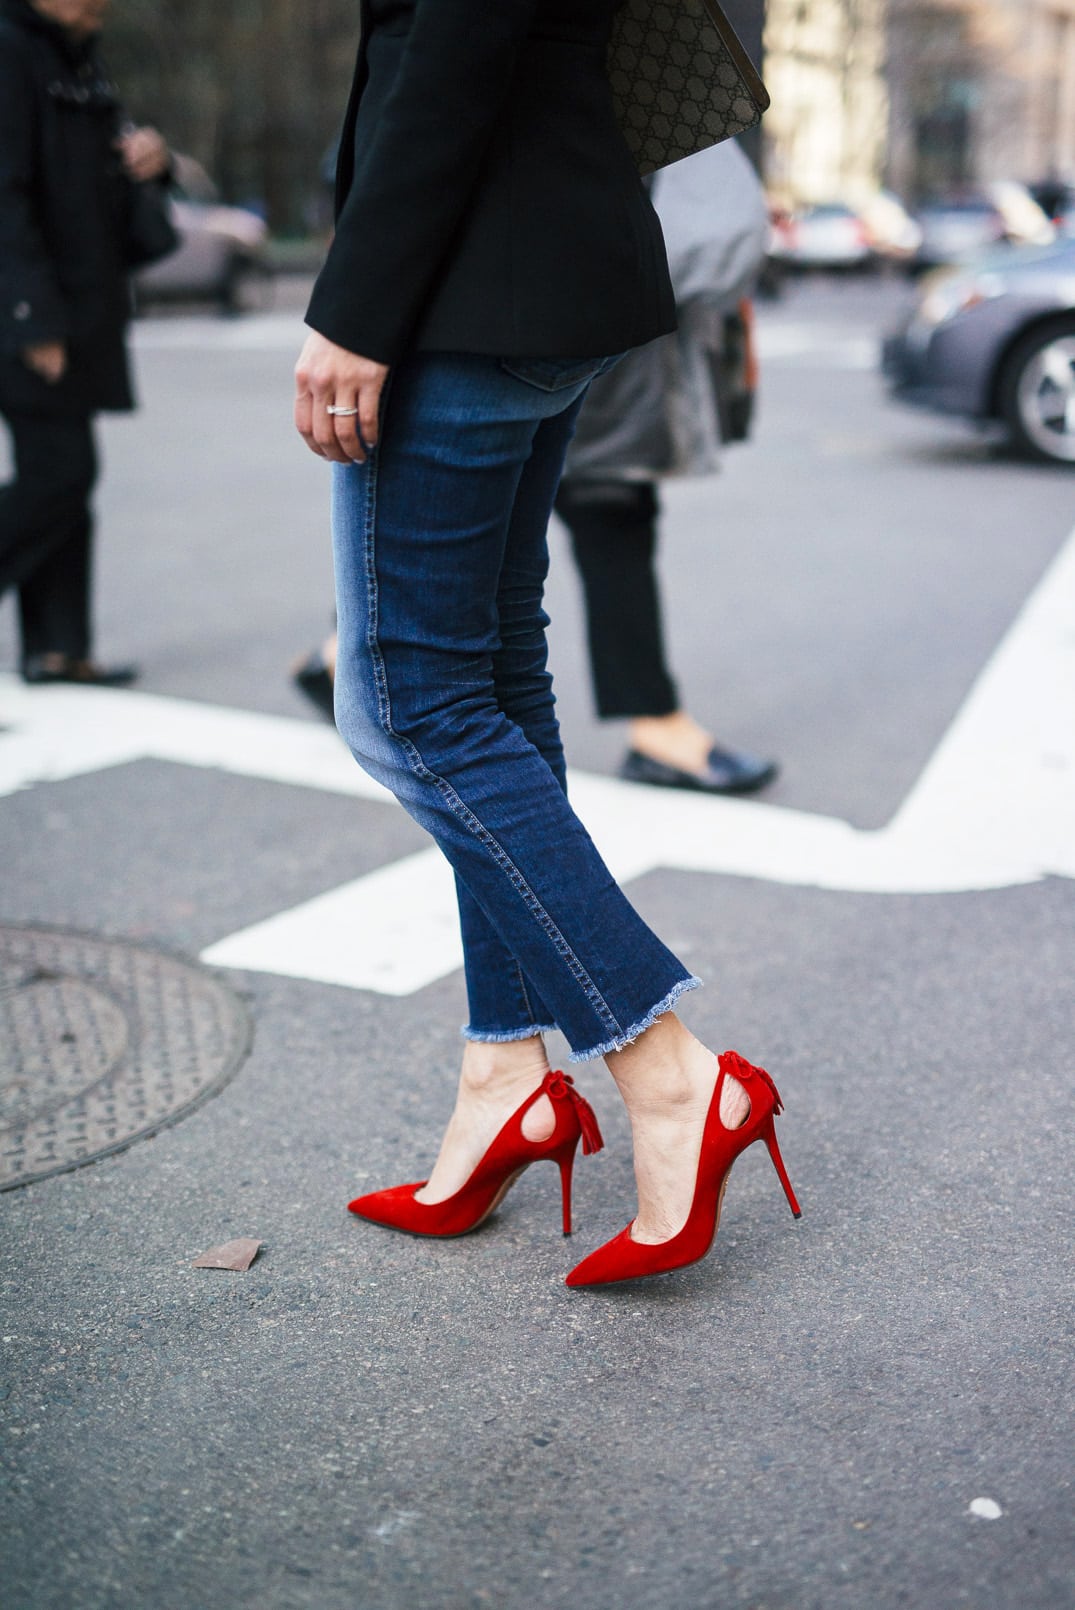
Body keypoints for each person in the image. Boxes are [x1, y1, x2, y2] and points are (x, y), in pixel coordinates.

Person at [294, 0, 800, 1287]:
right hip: (555, 267)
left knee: (409, 708)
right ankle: (501, 1073)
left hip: (467, 284)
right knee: (493, 680)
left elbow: (449, 50)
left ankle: (668, 1070)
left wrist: (356, 305)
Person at [556, 138, 779, 796]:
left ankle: (351, 652)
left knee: (490, 512)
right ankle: (653, 723)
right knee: (605, 506)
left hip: (588, 305)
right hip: (580, 308)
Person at [0, 0, 170, 686]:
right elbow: (1, 195)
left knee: (67, 475)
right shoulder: (8, 49)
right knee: (60, 472)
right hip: (28, 306)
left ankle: (58, 647)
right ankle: (57, 644)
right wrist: (28, 315)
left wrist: (150, 163)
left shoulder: (77, 55)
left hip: (78, 302)